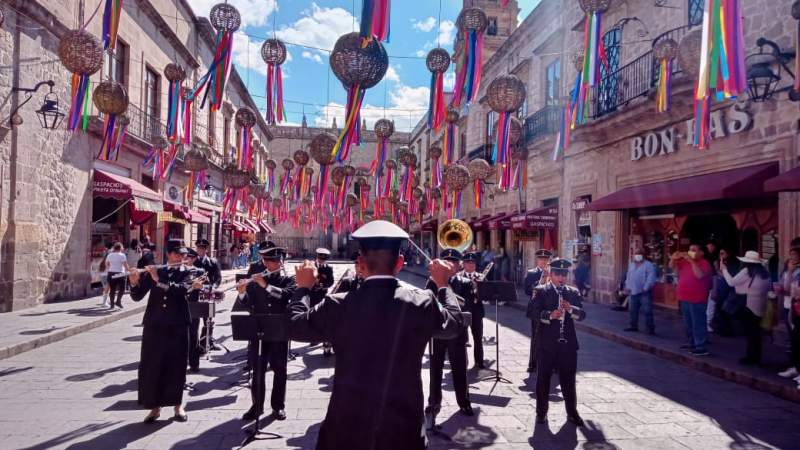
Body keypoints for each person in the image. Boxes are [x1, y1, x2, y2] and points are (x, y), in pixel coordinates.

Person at [288, 220, 466, 450]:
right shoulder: (421, 303)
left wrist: (302, 288)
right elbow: (454, 324)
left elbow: (295, 325)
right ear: (400, 263)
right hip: (403, 431)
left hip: (346, 431)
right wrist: (443, 285)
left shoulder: (337, 305)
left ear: (360, 263)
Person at [129, 241, 203, 423]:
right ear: (169, 254)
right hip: (154, 325)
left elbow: (181, 290)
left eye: (183, 255)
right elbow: (137, 296)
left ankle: (178, 406)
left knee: (177, 366)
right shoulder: (157, 271)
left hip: (177, 325)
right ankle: (155, 407)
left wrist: (158, 280)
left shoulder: (189, 272)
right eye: (177, 254)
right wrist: (134, 282)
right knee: (153, 365)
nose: (181, 258)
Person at [235, 241, 296, 421]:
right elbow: (247, 303)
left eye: (276, 261)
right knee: (258, 370)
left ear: (282, 262)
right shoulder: (255, 279)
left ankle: (278, 407)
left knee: (280, 370)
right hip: (259, 331)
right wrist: (241, 292)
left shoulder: (288, 280)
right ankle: (257, 406)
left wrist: (265, 286)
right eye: (269, 261)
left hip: (279, 332)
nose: (272, 264)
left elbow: (285, 295)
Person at [530, 258, 587, 427]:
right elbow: (532, 312)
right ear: (551, 274)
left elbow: (582, 315)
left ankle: (572, 412)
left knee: (568, 380)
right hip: (546, 344)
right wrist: (549, 315)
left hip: (568, 344)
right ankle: (541, 413)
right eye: (558, 274)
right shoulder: (541, 291)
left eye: (564, 274)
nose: (561, 278)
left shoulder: (572, 292)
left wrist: (571, 309)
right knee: (543, 379)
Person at [424, 249, 473, 420]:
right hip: (438, 332)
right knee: (435, 369)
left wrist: (449, 294)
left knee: (460, 369)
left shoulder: (465, 282)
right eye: (447, 261)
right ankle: (433, 402)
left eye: (454, 261)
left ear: (459, 265)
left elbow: (467, 307)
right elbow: (428, 303)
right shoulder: (432, 282)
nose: (451, 264)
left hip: (458, 333)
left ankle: (464, 402)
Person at [722, 251, 772, 366]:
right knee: (755, 332)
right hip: (760, 304)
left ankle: (751, 357)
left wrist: (724, 270)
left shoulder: (747, 271)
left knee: (750, 333)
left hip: (748, 304)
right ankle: (756, 356)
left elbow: (731, 282)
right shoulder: (764, 272)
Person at [670, 244, 714, 356]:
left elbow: (699, 275)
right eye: (690, 250)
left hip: (697, 298)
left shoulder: (705, 263)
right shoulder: (684, 262)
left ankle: (701, 346)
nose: (691, 252)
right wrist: (673, 258)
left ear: (701, 253)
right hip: (684, 297)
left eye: (694, 250)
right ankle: (691, 343)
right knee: (688, 323)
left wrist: (692, 261)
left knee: (698, 323)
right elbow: (673, 270)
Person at [524, 249, 553, 373]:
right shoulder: (531, 273)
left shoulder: (554, 273)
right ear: (537, 260)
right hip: (536, 309)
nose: (543, 262)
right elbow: (527, 290)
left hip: (550, 309)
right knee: (536, 337)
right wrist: (541, 281)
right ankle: (533, 364)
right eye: (541, 259)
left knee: (552, 337)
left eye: (546, 260)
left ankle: (552, 365)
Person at [193, 239, 222, 352]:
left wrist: (213, 286)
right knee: (194, 319)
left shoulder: (212, 262)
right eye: (199, 248)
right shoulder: (193, 261)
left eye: (203, 248)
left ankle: (207, 342)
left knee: (208, 320)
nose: (201, 250)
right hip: (195, 294)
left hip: (208, 293)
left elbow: (218, 277)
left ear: (206, 249)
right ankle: (195, 344)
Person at [623, 247, 658, 334]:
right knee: (632, 310)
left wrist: (646, 287)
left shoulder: (648, 265)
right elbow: (629, 276)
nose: (638, 255)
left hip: (644, 292)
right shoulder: (631, 265)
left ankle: (650, 328)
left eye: (639, 253)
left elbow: (651, 277)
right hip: (633, 291)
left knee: (647, 310)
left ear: (643, 255)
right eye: (636, 253)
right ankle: (633, 326)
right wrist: (627, 287)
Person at [461, 251, 485, 369]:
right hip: (463, 312)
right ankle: (463, 362)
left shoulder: (481, 277)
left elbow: (486, 297)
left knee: (478, 338)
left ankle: (479, 361)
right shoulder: (458, 277)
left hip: (477, 312)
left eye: (473, 263)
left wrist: (479, 288)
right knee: (462, 339)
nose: (470, 265)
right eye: (468, 263)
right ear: (463, 264)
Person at [312, 248, 335, 356]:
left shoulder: (328, 268)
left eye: (323, 260)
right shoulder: (311, 266)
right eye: (320, 258)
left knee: (321, 316)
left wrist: (322, 285)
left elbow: (331, 281)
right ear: (317, 257)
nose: (321, 261)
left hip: (321, 295)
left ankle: (319, 337)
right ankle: (313, 336)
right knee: (312, 316)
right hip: (311, 295)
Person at [105, 242, 130, 309]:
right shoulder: (122, 255)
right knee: (122, 289)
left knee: (112, 289)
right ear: (121, 248)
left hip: (111, 273)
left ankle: (112, 304)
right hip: (120, 273)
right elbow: (125, 265)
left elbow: (106, 264)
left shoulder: (109, 255)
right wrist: (129, 270)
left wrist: (111, 267)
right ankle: (118, 301)